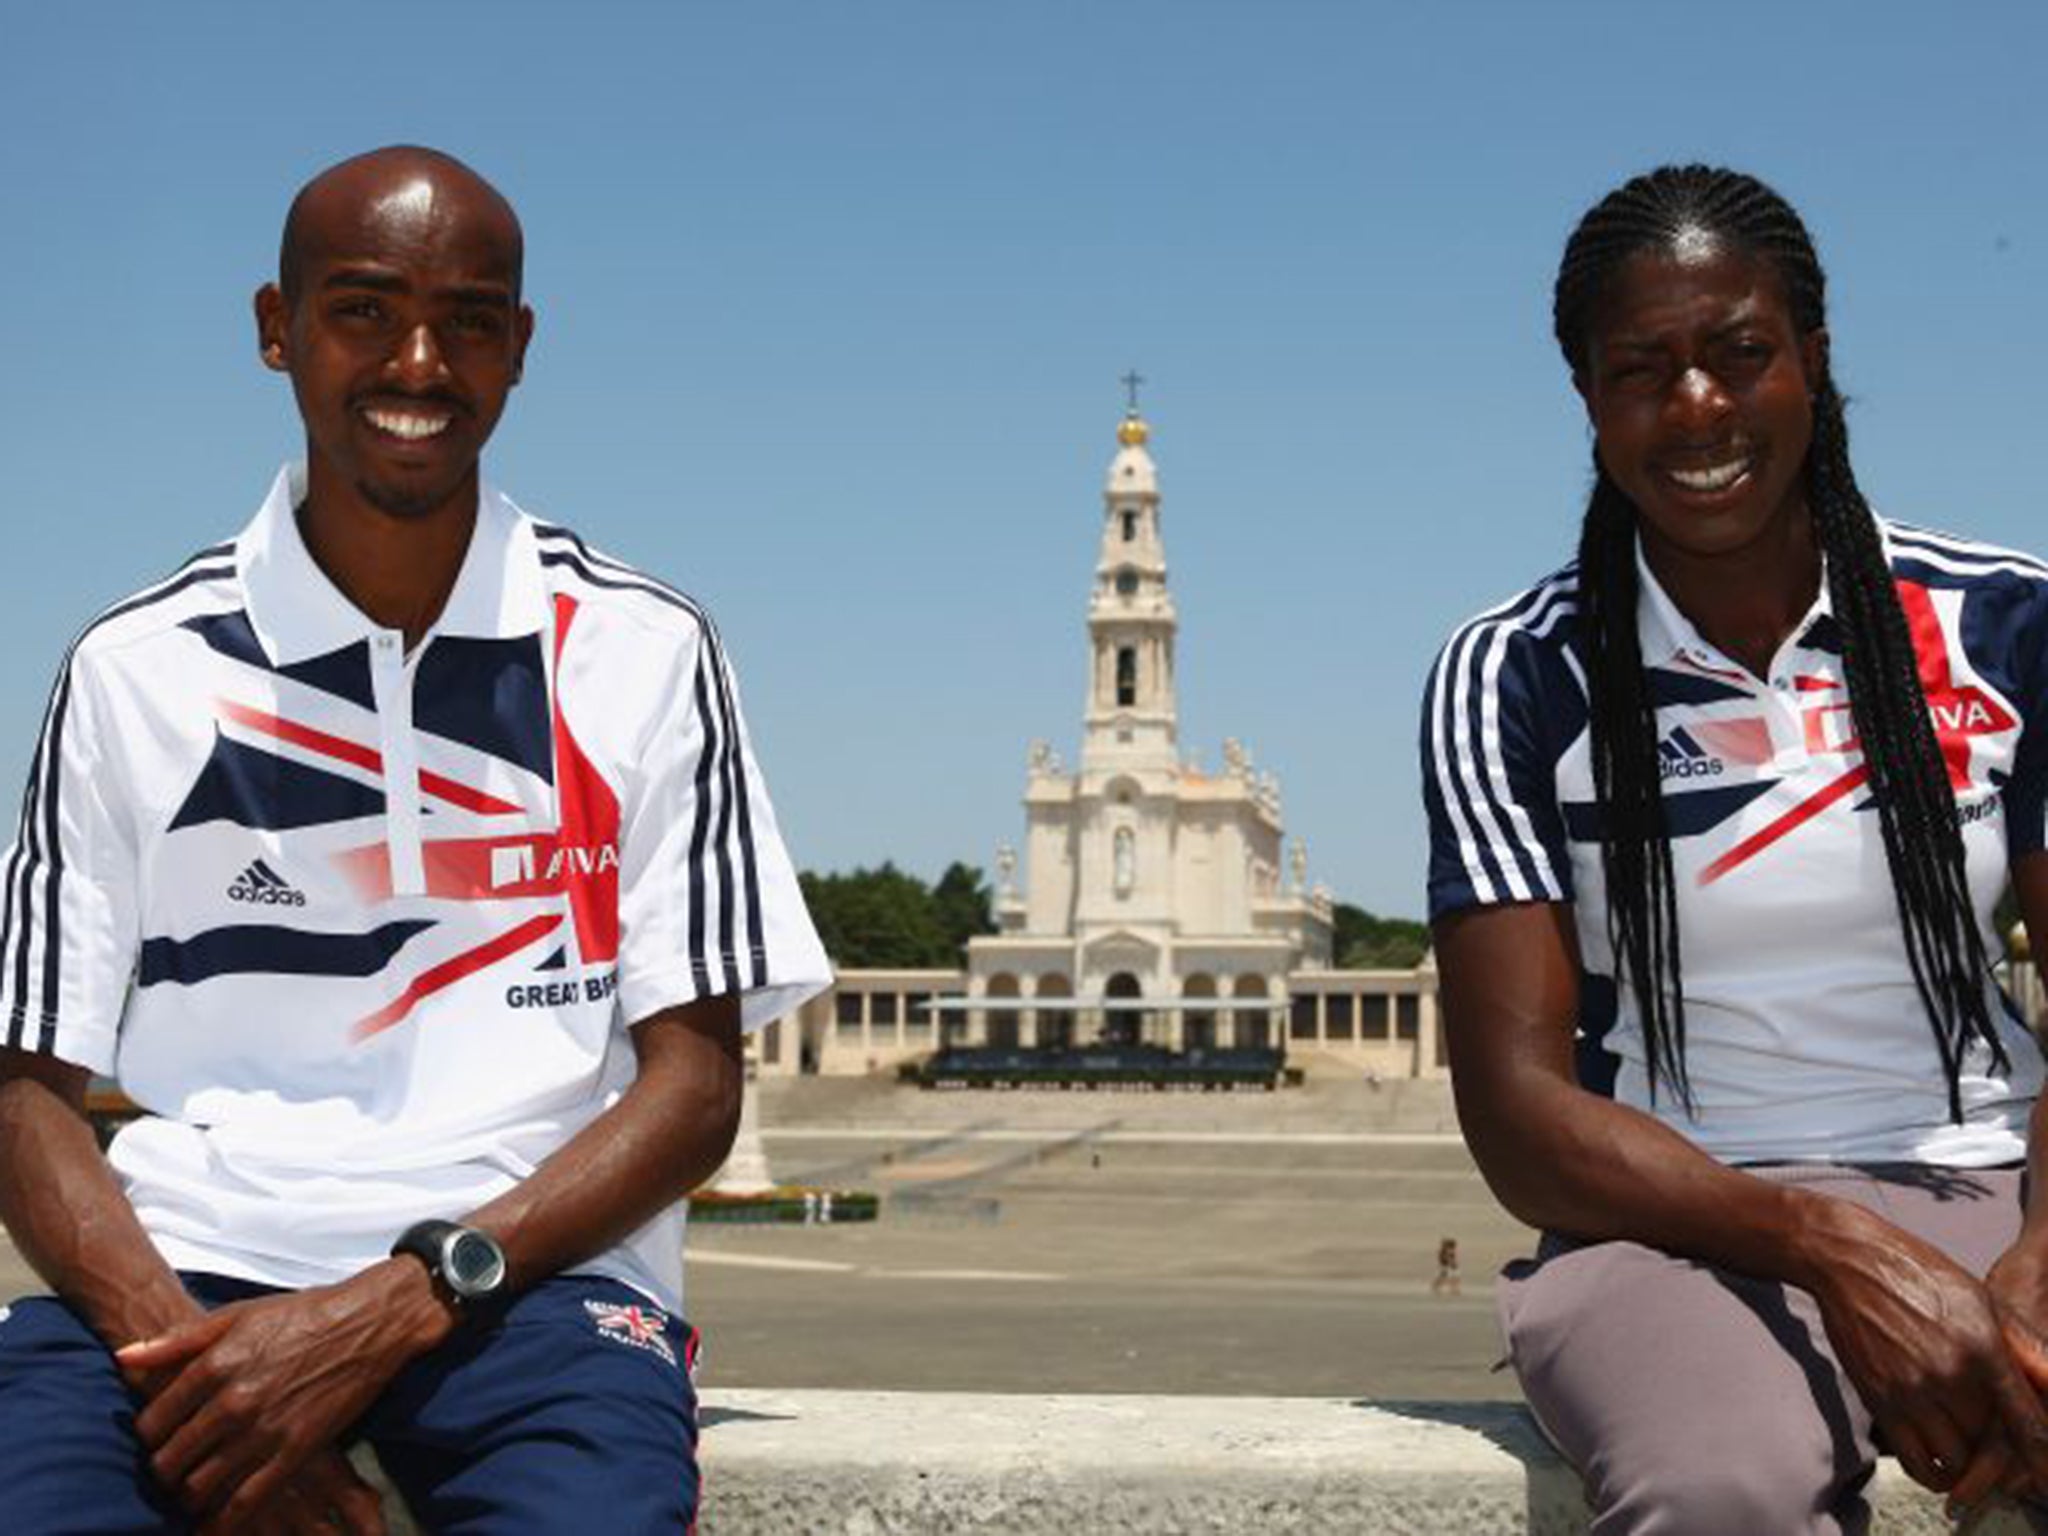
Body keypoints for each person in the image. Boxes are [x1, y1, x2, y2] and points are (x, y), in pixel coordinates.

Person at [0, 146, 829, 1533]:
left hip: (530, 1294)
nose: (421, 364)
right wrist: (209, 1391)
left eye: (472, 321)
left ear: (522, 348)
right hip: (181, 1282)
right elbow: (26, 1092)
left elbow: (693, 1089)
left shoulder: (641, 651)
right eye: (365, 310)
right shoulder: (135, 669)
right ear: (277, 328)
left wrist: (406, 1299)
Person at [1422, 164, 2048, 1533]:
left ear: (1813, 363)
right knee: (1720, 1492)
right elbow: (1520, 1120)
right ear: (1589, 400)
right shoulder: (1515, 676)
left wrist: (2036, 1264)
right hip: (1677, 1224)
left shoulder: (2008, 627)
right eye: (1642, 369)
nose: (1696, 407)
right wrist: (1836, 1251)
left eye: (1740, 355)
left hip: (1997, 1176)